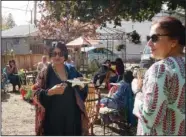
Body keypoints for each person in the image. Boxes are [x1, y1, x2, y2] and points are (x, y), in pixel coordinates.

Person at [133, 16, 185, 135]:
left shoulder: (161, 68)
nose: (149, 43)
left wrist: (137, 91)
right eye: (149, 38)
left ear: (173, 42)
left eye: (154, 38)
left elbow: (150, 117)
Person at [32, 42, 89, 136]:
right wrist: (50, 92)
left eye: (60, 54)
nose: (57, 56)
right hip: (53, 120)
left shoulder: (72, 70)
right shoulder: (45, 73)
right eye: (54, 54)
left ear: (65, 55)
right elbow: (34, 93)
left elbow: (83, 87)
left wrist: (82, 86)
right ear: (50, 55)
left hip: (72, 117)